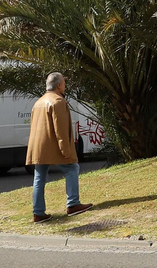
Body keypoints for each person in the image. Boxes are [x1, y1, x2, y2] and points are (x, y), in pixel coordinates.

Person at [27, 72, 92, 222]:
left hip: (38, 147)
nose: (65, 85)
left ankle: (38, 213)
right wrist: (66, 150)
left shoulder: (38, 102)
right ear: (58, 85)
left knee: (39, 177)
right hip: (53, 145)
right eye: (64, 83)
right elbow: (61, 129)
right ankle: (73, 204)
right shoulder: (58, 101)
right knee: (72, 168)